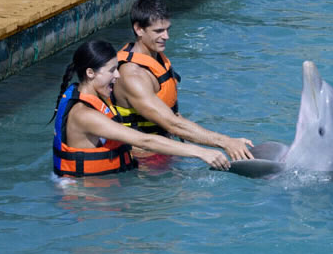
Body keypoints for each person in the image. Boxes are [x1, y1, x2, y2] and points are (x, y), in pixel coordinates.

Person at [49, 40, 230, 177]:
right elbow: (145, 141)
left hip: (98, 186)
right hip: (86, 200)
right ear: (90, 73)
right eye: (112, 70)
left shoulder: (87, 95)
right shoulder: (85, 114)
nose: (118, 75)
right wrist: (200, 152)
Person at [111, 0, 254, 166]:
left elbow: (172, 117)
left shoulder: (155, 58)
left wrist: (225, 141)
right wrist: (225, 142)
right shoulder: (133, 76)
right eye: (158, 31)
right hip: (143, 163)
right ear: (139, 29)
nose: (166, 36)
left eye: (167, 29)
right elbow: (172, 124)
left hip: (166, 150)